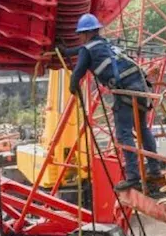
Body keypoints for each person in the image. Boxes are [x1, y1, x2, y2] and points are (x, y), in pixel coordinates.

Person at [66, 13, 161, 191]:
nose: (79, 38)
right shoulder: (105, 44)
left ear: (86, 34)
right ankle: (155, 169)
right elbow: (81, 51)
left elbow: (76, 74)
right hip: (140, 88)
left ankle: (133, 176)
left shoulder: (88, 50)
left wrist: (74, 89)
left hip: (125, 93)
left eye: (80, 35)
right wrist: (66, 52)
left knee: (124, 134)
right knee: (142, 129)